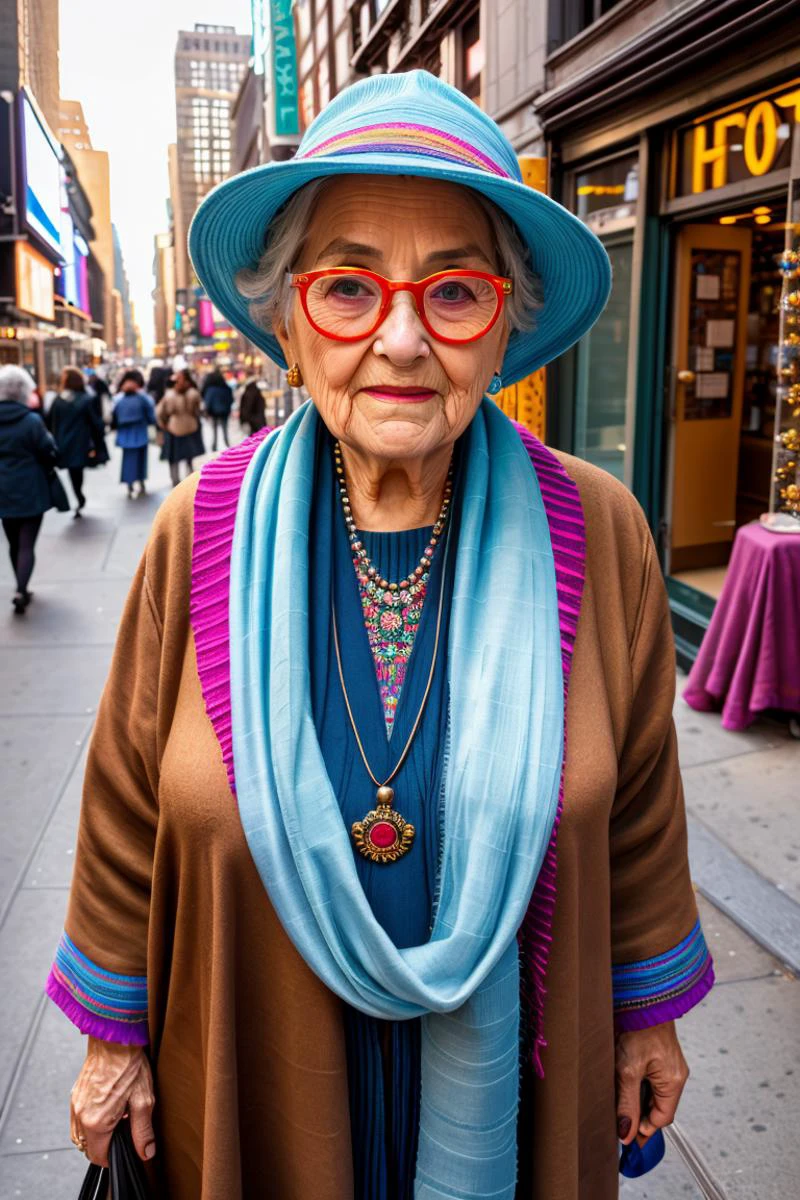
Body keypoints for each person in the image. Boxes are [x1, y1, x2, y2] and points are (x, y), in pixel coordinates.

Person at [49, 72, 713, 1199]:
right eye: (348, 288)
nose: (401, 340)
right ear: (286, 322)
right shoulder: (196, 528)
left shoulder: (598, 531)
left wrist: (644, 1012)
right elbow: (124, 800)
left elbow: (638, 798)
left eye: (452, 293)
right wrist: (114, 1036)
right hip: (259, 1049)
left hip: (518, 1073)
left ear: (502, 326)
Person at [0, 365, 59, 614]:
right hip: (31, 489)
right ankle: (21, 588)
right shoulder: (31, 421)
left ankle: (20, 586)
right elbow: (49, 452)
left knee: (13, 542)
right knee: (26, 545)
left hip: (3, 489)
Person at [48, 367, 106, 518]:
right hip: (81, 444)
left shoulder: (59, 400)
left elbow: (48, 421)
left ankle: (79, 497)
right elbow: (96, 424)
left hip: (65, 444)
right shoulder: (86, 399)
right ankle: (79, 497)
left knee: (74, 472)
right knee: (76, 472)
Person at [155, 369, 204, 486]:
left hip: (176, 428)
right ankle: (187, 479)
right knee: (188, 457)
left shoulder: (172, 394)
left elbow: (160, 413)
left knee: (180, 458)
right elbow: (199, 410)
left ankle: (178, 480)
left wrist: (164, 425)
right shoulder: (192, 393)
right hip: (187, 428)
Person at [112, 370, 156, 498]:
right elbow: (151, 416)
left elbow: (114, 418)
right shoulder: (143, 398)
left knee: (128, 460)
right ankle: (141, 481)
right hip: (140, 432)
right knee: (141, 460)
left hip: (125, 434)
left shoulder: (118, 400)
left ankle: (129, 484)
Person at [201, 368, 234, 450]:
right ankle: (227, 443)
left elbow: (208, 402)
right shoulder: (225, 388)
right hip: (224, 411)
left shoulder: (210, 390)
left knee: (214, 430)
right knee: (225, 428)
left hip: (214, 412)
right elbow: (231, 399)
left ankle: (214, 446)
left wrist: (207, 411)